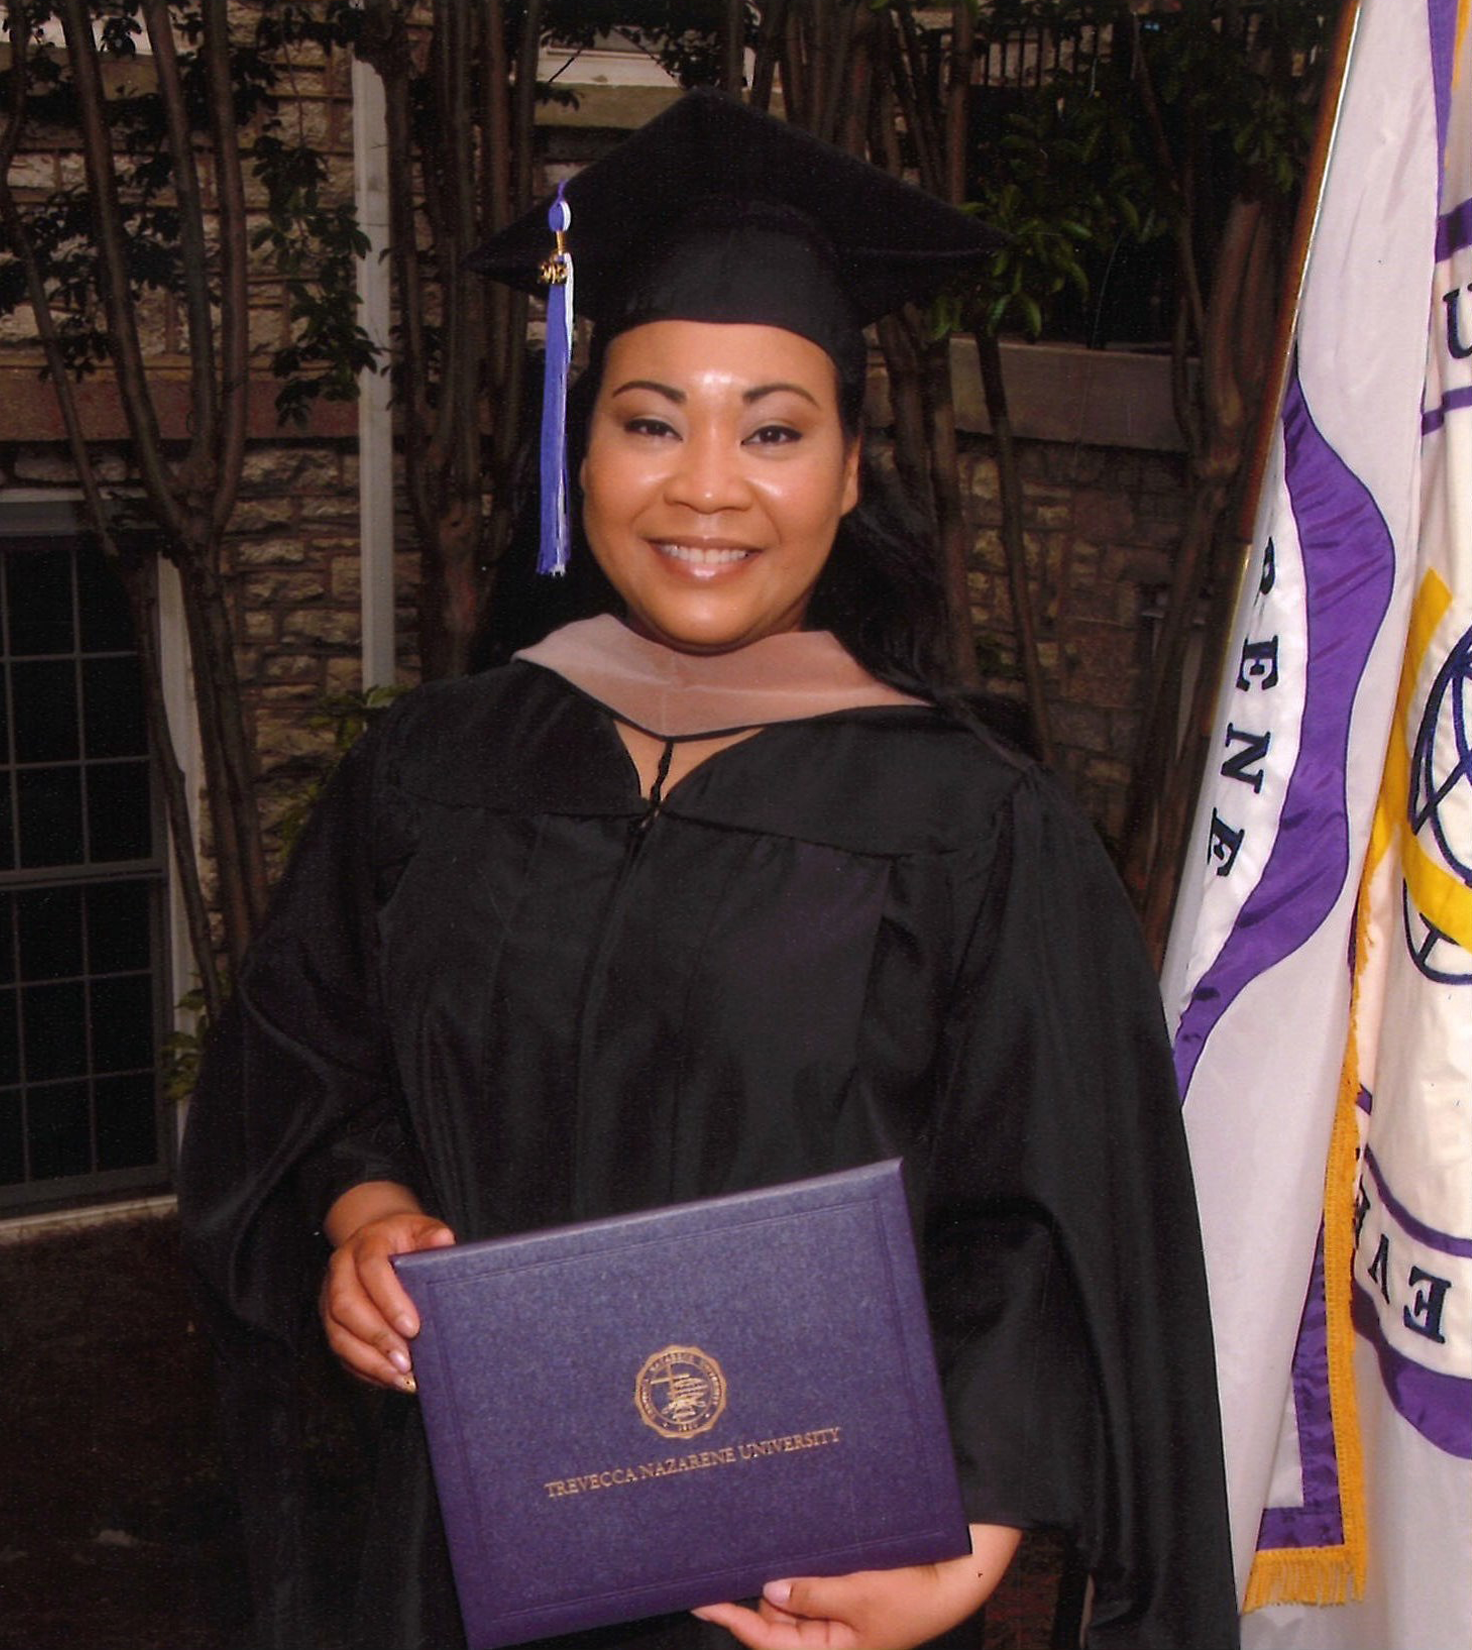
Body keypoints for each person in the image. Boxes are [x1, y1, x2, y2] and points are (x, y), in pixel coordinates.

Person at [180, 92, 1239, 1650]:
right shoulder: (433, 771)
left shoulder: (975, 831)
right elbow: (306, 1066)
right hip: (455, 1563)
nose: (706, 488)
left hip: (795, 1584)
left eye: (775, 429)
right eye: (652, 419)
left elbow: (1054, 1226)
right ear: (581, 444)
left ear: (854, 467)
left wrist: (972, 1528)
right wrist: (362, 1212)